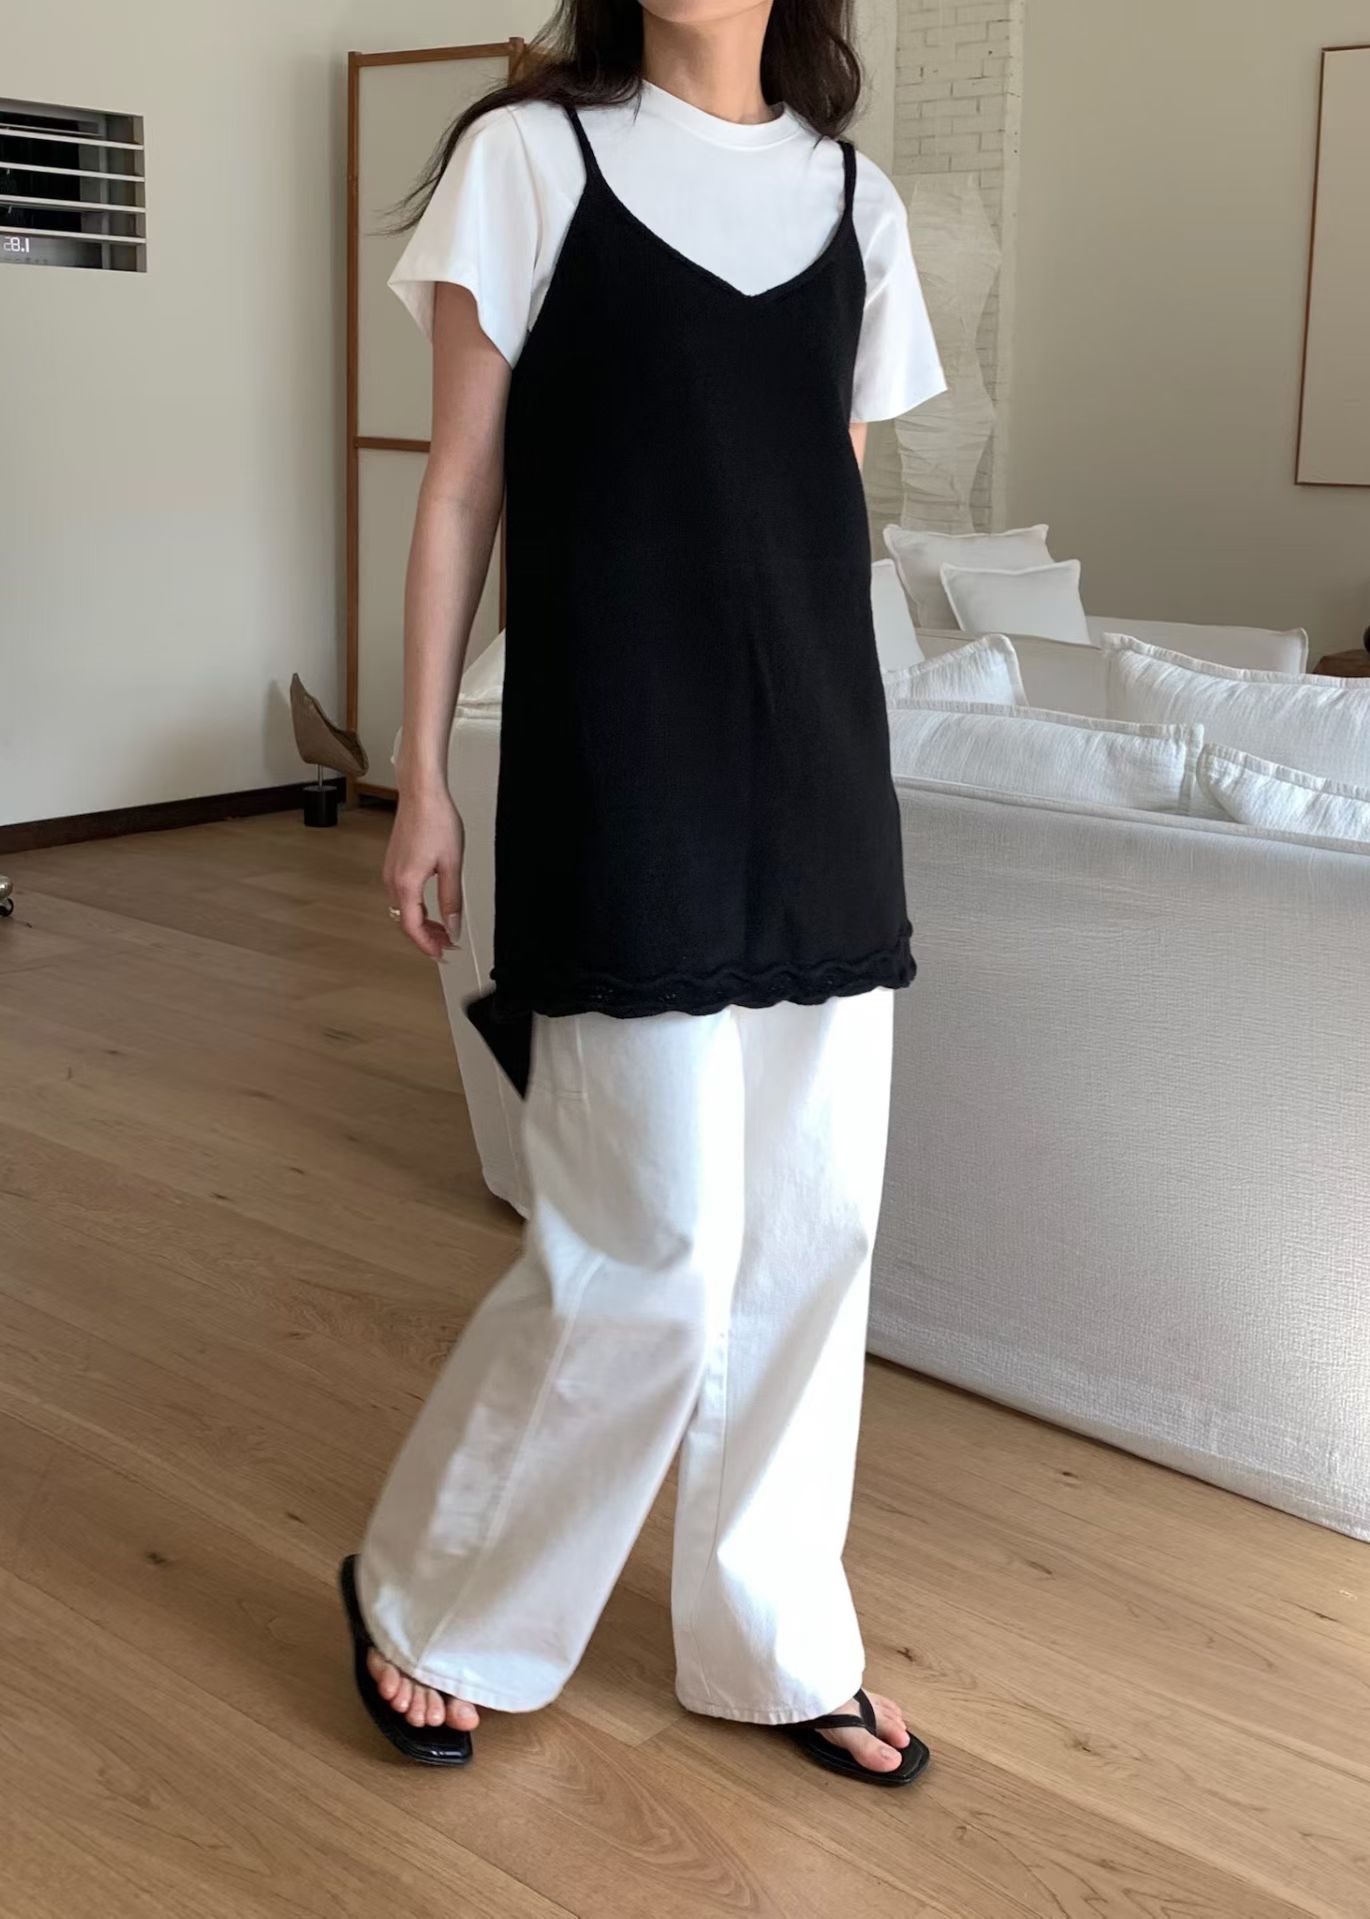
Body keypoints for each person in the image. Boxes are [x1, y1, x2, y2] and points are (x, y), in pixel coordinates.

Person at [339, 0, 945, 1787]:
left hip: (819, 783)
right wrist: (424, 773)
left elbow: (824, 517)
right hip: (622, 775)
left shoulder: (861, 205)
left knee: (815, 1238)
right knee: (646, 1252)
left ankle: (774, 1639)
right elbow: (460, 495)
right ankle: (433, 1596)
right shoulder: (528, 160)